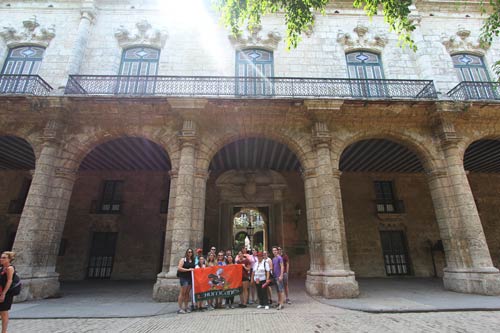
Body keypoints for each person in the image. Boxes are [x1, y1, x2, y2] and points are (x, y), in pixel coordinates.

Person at [0, 251, 15, 333]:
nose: (1, 259)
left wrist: (3, 294)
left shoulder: (10, 268)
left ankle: (4, 331)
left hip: (6, 294)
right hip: (1, 292)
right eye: (1, 257)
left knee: (4, 312)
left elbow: (9, 281)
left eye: (4, 258)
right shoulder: (2, 268)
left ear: (9, 259)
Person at [177, 248, 195, 314]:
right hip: (184, 278)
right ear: (186, 253)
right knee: (182, 293)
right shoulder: (183, 259)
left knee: (187, 293)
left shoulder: (192, 260)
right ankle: (180, 308)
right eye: (188, 252)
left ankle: (186, 307)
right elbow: (179, 268)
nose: (190, 253)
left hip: (190, 278)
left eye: (191, 252)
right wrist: (188, 270)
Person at [272, 246, 285, 310]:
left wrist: (281, 275)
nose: (274, 251)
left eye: (275, 250)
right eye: (273, 250)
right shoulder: (273, 259)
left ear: (277, 251)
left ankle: (281, 304)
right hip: (275, 276)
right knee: (278, 290)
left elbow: (282, 266)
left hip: (279, 276)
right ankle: (279, 302)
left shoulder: (280, 258)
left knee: (281, 290)